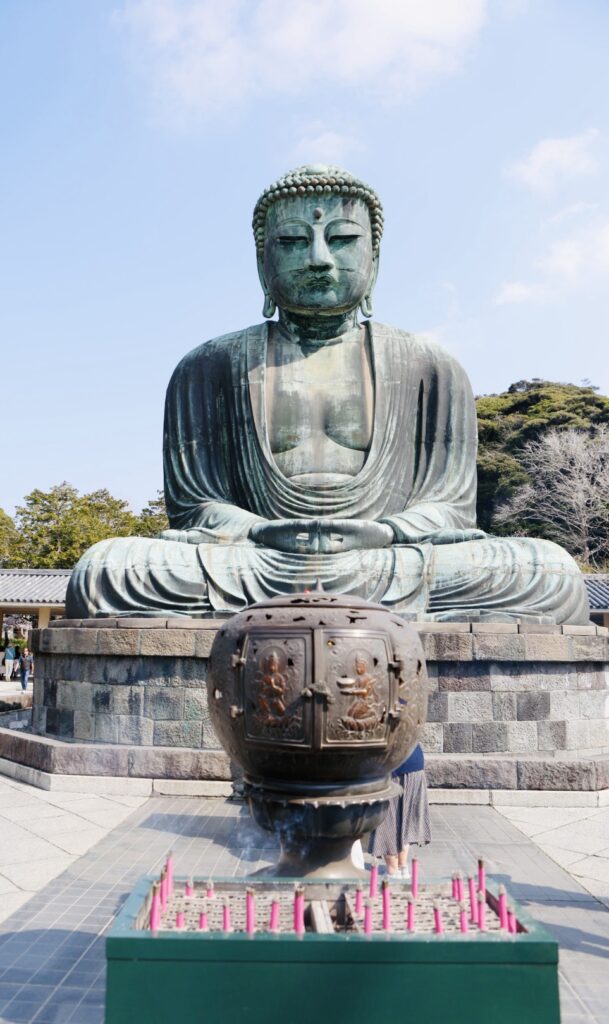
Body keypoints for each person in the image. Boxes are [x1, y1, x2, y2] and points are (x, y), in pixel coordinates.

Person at [66, 164, 589, 625]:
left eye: (340, 239)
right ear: (262, 262)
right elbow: (195, 506)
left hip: (389, 559)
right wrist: (262, 532)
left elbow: (449, 507)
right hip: (257, 560)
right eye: (293, 242)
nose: (318, 258)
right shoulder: (208, 366)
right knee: (110, 570)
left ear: (374, 258)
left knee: (548, 573)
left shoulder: (431, 367)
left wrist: (384, 533)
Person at [368, 743, 430, 879]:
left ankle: (392, 870)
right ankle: (402, 867)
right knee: (406, 819)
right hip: (415, 761)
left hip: (391, 764)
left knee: (386, 820)